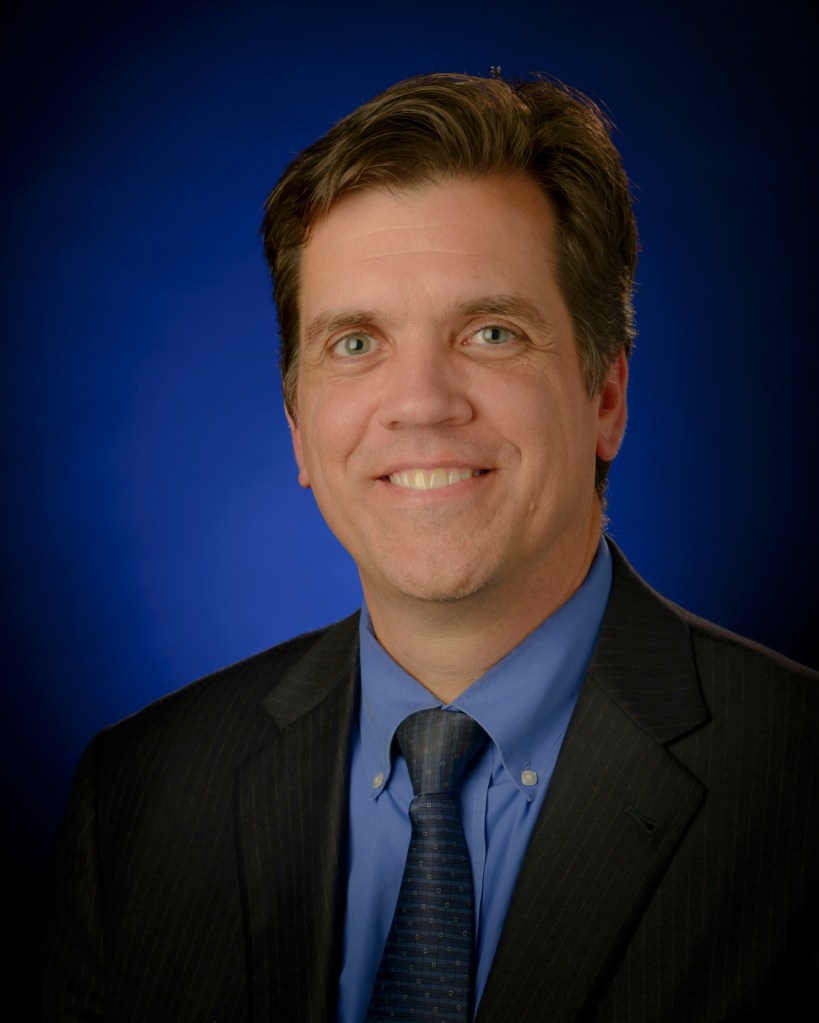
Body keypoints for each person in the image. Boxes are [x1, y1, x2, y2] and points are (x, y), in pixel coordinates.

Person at [40, 73, 817, 1022]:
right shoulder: (141, 794)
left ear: (604, 395)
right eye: (356, 344)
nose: (420, 403)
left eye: (490, 332)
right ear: (296, 426)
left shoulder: (797, 779)